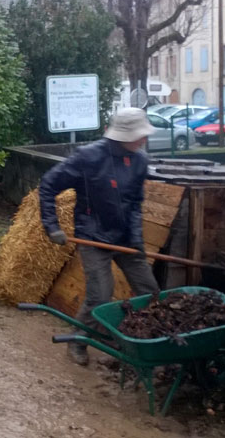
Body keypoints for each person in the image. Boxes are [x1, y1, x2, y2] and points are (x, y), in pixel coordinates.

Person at [39, 107, 161, 366]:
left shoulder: (140, 160)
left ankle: (146, 344)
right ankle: (78, 341)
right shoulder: (88, 157)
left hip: (126, 238)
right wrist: (52, 226)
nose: (144, 139)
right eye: (140, 135)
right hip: (93, 237)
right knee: (100, 296)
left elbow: (135, 203)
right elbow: (49, 185)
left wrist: (136, 239)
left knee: (149, 292)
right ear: (124, 135)